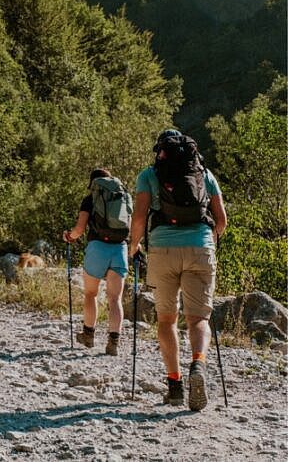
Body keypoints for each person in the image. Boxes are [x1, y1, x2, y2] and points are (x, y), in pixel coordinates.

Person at [129, 129, 226, 411]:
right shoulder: (205, 175)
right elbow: (221, 220)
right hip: (201, 247)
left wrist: (133, 246)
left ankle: (174, 386)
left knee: (166, 320)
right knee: (198, 319)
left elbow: (138, 217)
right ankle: (198, 364)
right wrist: (209, 243)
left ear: (160, 151)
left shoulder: (149, 175)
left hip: (162, 250)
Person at [62, 168, 129, 356]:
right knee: (115, 298)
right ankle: (113, 342)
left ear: (93, 184)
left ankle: (89, 335)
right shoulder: (121, 197)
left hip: (98, 248)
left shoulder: (90, 200)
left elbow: (80, 229)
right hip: (120, 248)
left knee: (91, 293)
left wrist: (69, 236)